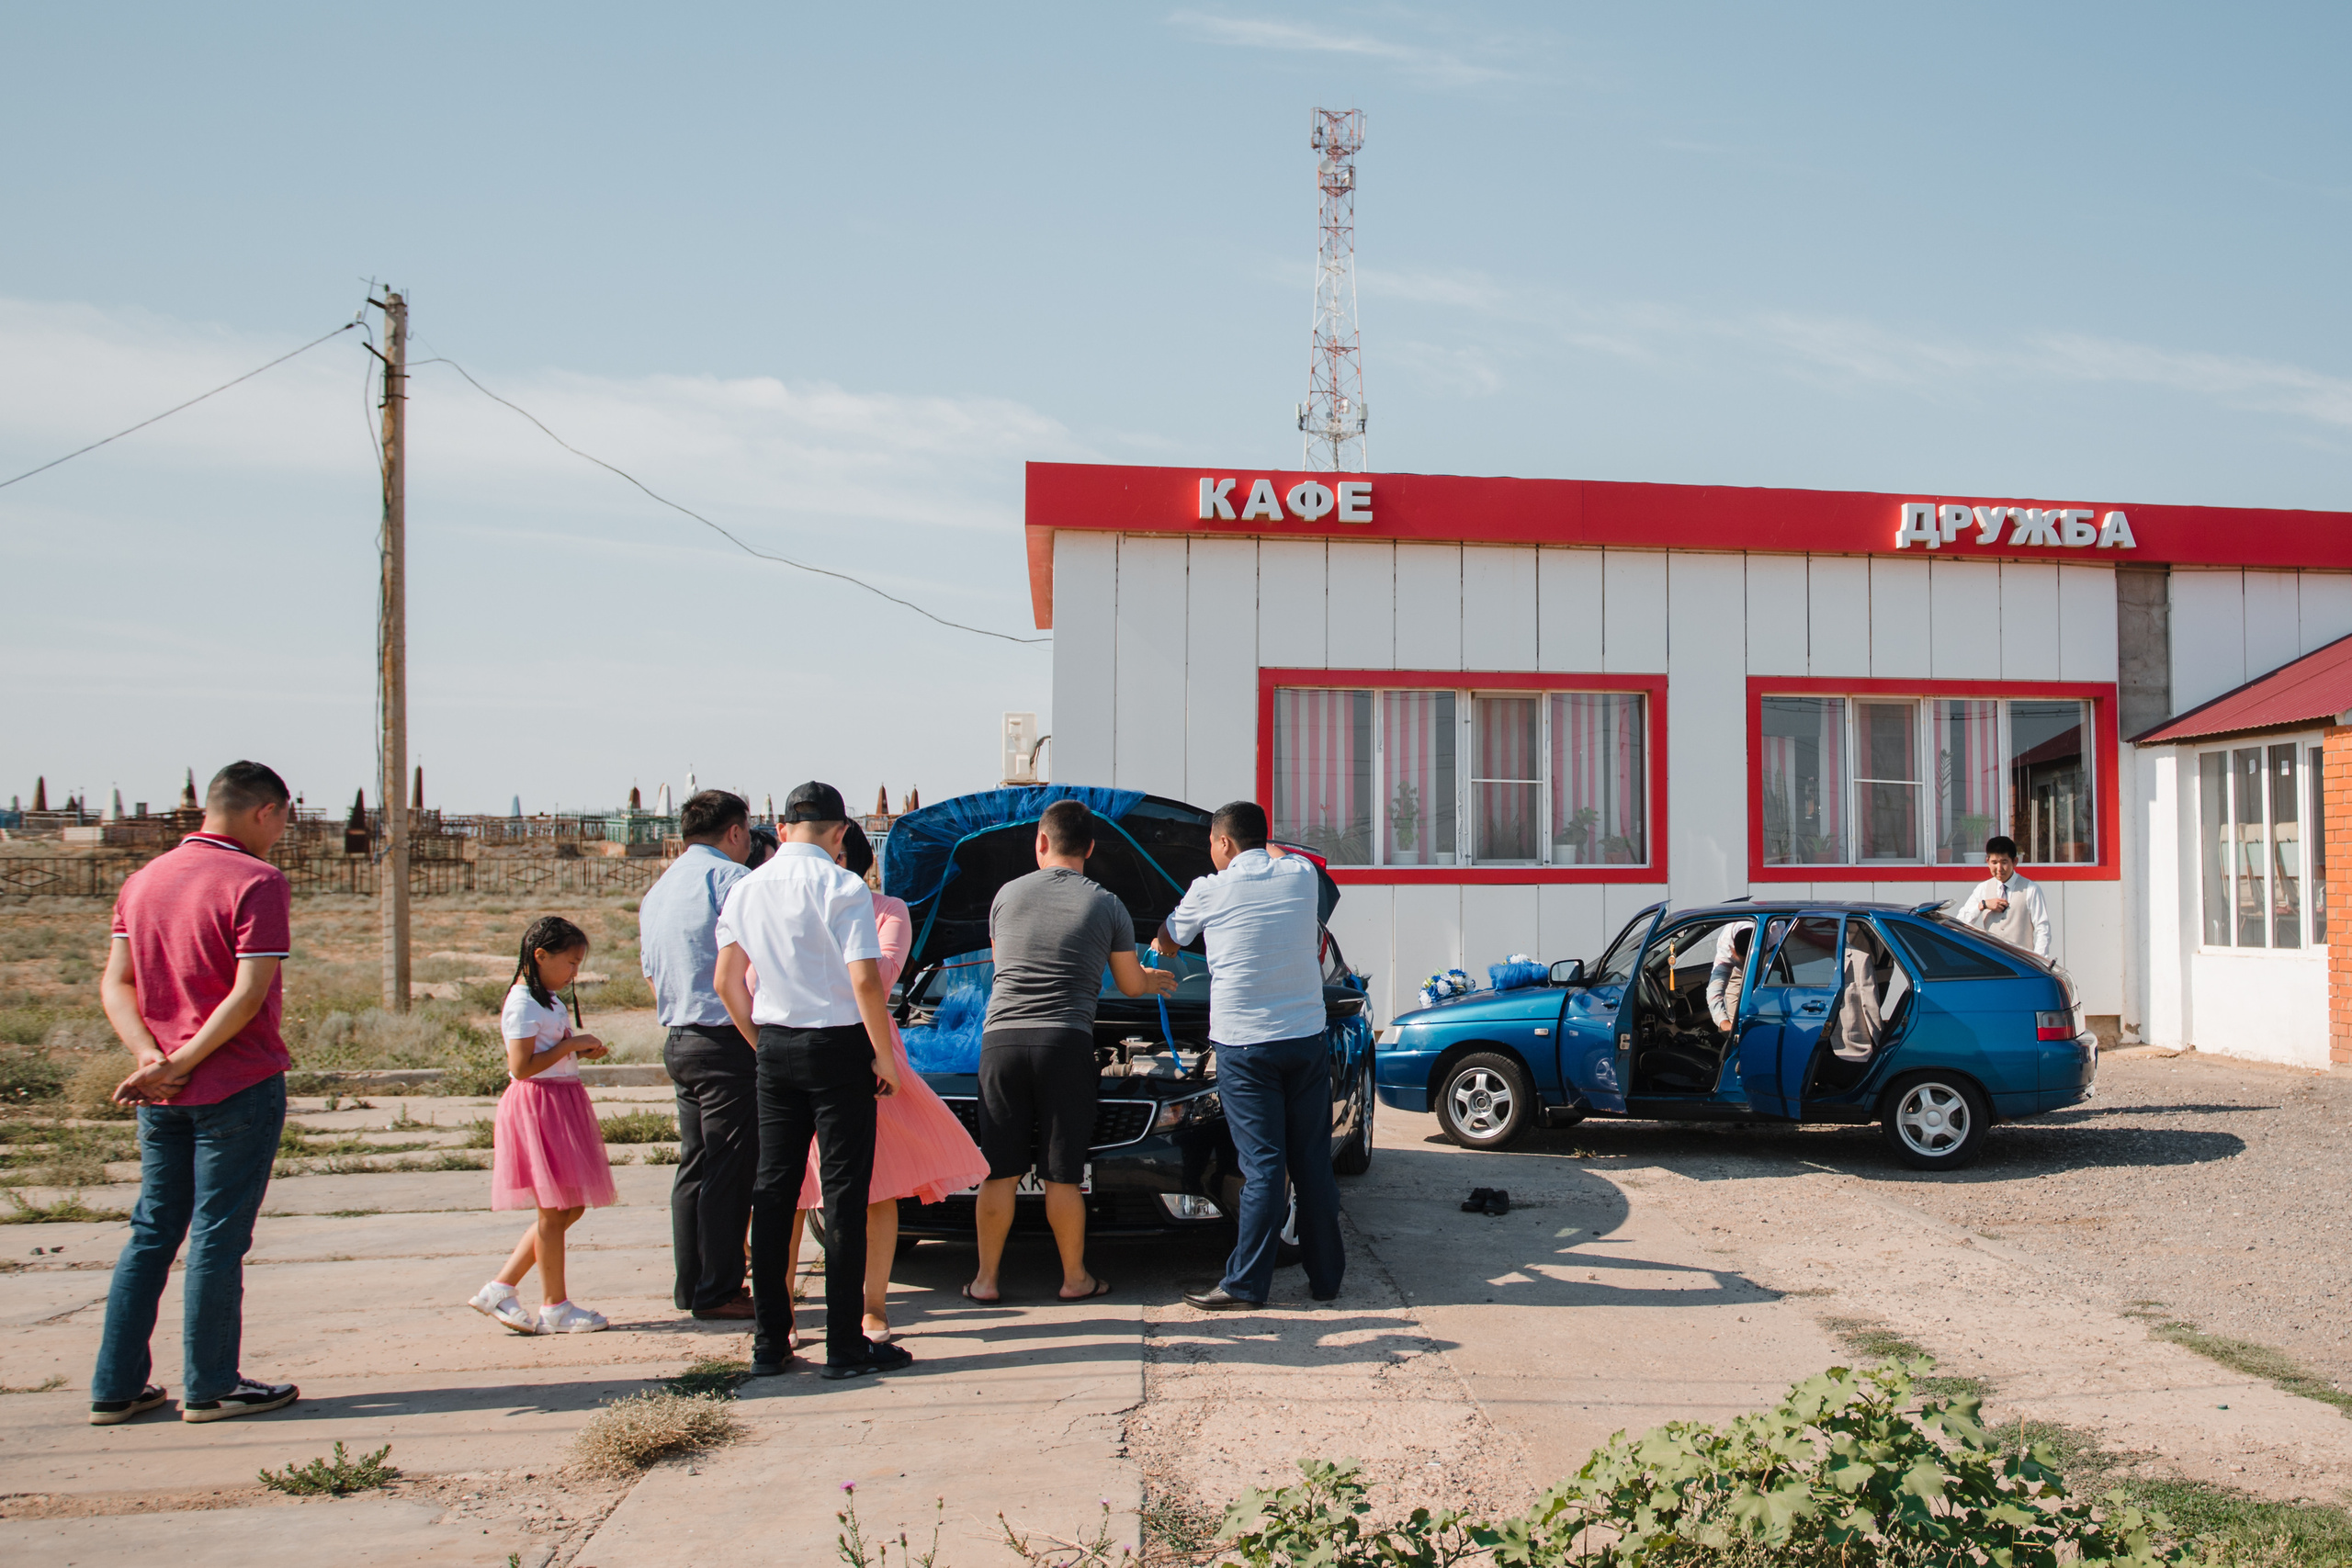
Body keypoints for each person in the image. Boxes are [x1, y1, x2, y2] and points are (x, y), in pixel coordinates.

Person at [89, 761, 302, 1426]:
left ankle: (115, 1385)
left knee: (153, 1230)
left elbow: (115, 983)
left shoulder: (144, 880)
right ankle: (212, 1383)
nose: (282, 834)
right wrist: (184, 1058)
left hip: (163, 1090)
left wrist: (152, 1058)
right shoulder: (257, 881)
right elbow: (247, 994)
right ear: (265, 810)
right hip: (235, 1081)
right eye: (284, 820)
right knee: (216, 1233)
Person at [715, 781, 911, 1381]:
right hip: (839, 1043)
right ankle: (845, 1344)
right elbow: (866, 982)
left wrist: (763, 1044)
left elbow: (727, 982)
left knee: (774, 1191)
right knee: (845, 1194)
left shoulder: (746, 887)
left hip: (775, 1042)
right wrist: (884, 1058)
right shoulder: (844, 886)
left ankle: (770, 1342)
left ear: (783, 824)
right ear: (837, 831)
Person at [967, 798, 1175, 1305]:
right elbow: (1128, 984)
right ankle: (1074, 1278)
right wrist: (1153, 980)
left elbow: (1003, 964)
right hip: (1065, 1041)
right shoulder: (1106, 904)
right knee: (1063, 1170)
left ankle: (986, 1281)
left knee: (999, 1169)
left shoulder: (1005, 896)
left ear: (1040, 842)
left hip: (1003, 1041)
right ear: (1090, 848)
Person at [795, 821, 987, 1341]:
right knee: (795, 1188)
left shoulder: (886, 910)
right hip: (798, 1050)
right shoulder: (793, 906)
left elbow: (879, 980)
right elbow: (748, 980)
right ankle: (784, 1312)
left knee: (877, 1186)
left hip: (870, 1052)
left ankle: (873, 1307)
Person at [1151, 801, 1343, 1312]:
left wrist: (1163, 947)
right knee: (1312, 1165)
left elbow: (1167, 940)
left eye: (1212, 843)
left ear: (1223, 844)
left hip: (1245, 1047)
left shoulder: (1208, 890)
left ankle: (1244, 1286)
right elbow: (1278, 855)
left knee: (1262, 1168)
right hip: (1305, 1040)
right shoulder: (1300, 875)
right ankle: (1326, 1280)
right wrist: (1264, 846)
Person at [639, 789, 758, 1320]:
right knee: (730, 1169)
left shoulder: (659, 890)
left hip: (680, 1038)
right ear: (735, 832)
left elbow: (650, 973)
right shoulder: (730, 881)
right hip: (726, 1039)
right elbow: (755, 961)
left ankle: (691, 1285)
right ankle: (720, 1290)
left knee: (695, 1166)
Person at [469, 916, 617, 1334]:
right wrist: (571, 1044)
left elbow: (546, 1052)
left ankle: (500, 1287)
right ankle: (555, 1306)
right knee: (554, 1210)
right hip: (539, 1106)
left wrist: (577, 1053)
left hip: (561, 1099)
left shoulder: (548, 999)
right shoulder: (522, 1002)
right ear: (540, 956)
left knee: (569, 1206)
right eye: (570, 963)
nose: (575, 972)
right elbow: (521, 1066)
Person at [1956, 835, 2052, 957]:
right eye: (1994, 863)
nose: (1999, 868)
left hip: (2023, 964)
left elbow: (2043, 929)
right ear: (1987, 862)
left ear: (2015, 861)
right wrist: (1982, 905)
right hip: (1993, 964)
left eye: (2004, 862)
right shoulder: (1983, 888)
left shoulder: (2031, 889)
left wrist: (2040, 961)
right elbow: (1960, 923)